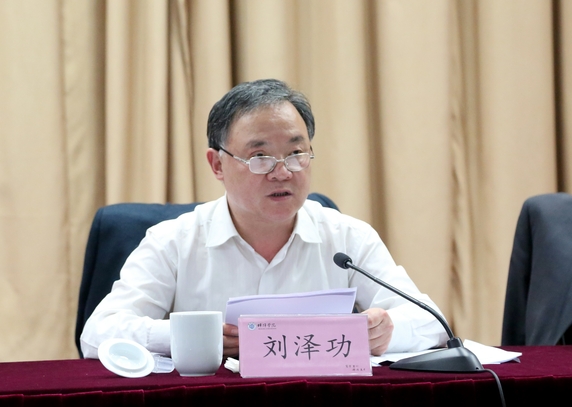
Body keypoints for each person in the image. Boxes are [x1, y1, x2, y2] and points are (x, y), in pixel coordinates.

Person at [80, 79, 447, 359]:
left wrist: (386, 331)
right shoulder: (173, 241)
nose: (282, 172)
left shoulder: (347, 238)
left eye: (296, 153)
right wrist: (192, 336)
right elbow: (98, 334)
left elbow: (432, 322)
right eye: (260, 157)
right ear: (217, 164)